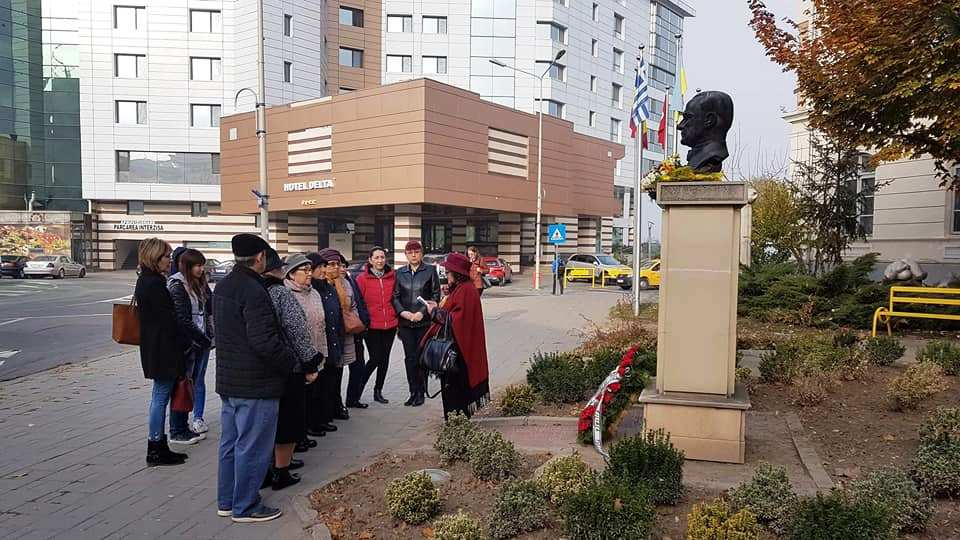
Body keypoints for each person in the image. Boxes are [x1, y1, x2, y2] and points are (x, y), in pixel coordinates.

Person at [213, 233, 298, 523]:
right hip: (256, 384)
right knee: (253, 447)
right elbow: (265, 341)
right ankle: (246, 506)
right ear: (260, 257)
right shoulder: (254, 290)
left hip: (230, 381)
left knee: (230, 444)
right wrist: (290, 362)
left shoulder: (224, 285)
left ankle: (227, 501)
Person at [262, 251, 322, 491]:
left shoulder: (249, 290)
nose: (309, 274)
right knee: (287, 422)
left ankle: (266, 470)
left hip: (261, 367)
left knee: (267, 422)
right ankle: (281, 472)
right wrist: (310, 362)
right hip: (288, 365)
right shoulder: (281, 293)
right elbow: (296, 330)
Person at [136, 238, 191, 467]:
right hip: (163, 349)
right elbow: (168, 320)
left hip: (155, 347)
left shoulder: (146, 280)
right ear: (155, 257)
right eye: (166, 256)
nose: (169, 261)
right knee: (160, 397)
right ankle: (156, 446)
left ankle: (158, 444)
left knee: (159, 396)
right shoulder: (155, 284)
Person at [423, 252, 491, 419]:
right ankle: (456, 420)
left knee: (455, 390)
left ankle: (456, 422)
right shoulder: (462, 288)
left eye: (448, 272)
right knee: (453, 389)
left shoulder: (466, 290)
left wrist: (434, 312)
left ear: (456, 273)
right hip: (459, 347)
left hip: (459, 351)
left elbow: (456, 320)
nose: (446, 275)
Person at [167, 248, 215, 441]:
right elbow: (182, 319)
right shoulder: (177, 285)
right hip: (188, 344)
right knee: (183, 385)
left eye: (202, 265)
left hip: (201, 341)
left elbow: (208, 310)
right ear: (186, 266)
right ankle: (177, 429)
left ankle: (187, 423)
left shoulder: (199, 284)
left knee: (193, 383)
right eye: (197, 265)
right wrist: (202, 339)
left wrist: (209, 336)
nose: (201, 269)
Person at [392, 240, 441, 407]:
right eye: (410, 252)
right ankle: (412, 391)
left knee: (421, 358)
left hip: (423, 323)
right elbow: (395, 296)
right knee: (409, 358)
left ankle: (421, 392)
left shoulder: (430, 271)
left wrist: (421, 312)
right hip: (405, 323)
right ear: (406, 255)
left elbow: (435, 295)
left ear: (421, 253)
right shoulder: (400, 273)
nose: (414, 255)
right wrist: (403, 313)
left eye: (417, 252)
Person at [305, 252, 343, 436]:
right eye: (319, 267)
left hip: (331, 343)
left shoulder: (329, 288)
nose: (323, 270)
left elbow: (337, 314)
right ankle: (313, 423)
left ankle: (324, 418)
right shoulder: (311, 291)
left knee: (328, 385)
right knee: (315, 388)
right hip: (317, 346)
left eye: (323, 266)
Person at [354, 246, 397, 404]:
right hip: (371, 326)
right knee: (375, 358)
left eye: (382, 257)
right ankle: (358, 389)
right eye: (376, 258)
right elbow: (358, 302)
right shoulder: (362, 279)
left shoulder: (393, 277)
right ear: (370, 260)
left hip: (390, 325)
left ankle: (378, 391)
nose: (380, 260)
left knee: (384, 359)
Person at [341, 253, 372, 409]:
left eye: (343, 266)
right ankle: (337, 404)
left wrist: (364, 321)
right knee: (338, 370)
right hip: (342, 333)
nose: (341, 269)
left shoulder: (350, 280)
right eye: (338, 266)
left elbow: (360, 302)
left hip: (356, 330)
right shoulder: (331, 284)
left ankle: (353, 399)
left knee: (358, 366)